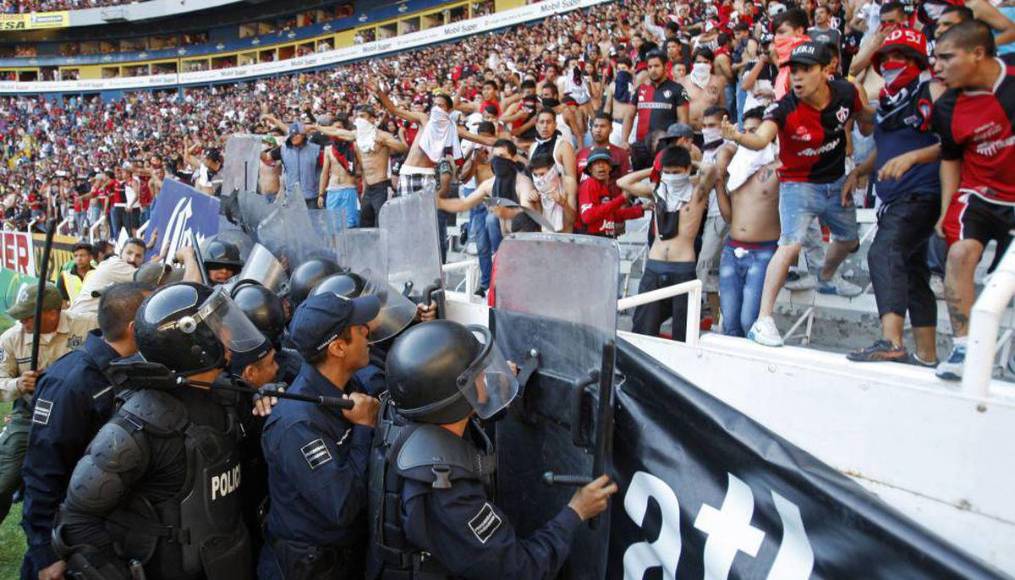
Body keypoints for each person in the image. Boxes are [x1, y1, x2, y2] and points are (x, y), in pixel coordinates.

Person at [368, 320, 618, 578]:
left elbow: (454, 414)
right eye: (480, 374)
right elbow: (520, 570)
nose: (487, 376)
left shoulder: (403, 416)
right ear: (456, 398)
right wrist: (575, 511)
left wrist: (485, 396)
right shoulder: (447, 494)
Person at [54, 282, 259, 579]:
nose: (228, 333)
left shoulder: (228, 396)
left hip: (229, 560)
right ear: (194, 344)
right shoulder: (139, 424)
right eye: (218, 326)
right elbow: (77, 519)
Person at [721, 41, 872, 347]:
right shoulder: (783, 107)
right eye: (794, 70)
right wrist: (738, 136)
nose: (798, 77)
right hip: (798, 185)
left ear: (826, 70)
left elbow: (866, 120)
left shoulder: (846, 92)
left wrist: (861, 159)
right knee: (790, 245)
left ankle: (827, 276)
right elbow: (762, 139)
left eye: (806, 70)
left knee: (849, 241)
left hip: (836, 180)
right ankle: (764, 320)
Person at [20, 283, 148, 580]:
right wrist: (45, 553)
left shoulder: (132, 368)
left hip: (104, 530)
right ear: (133, 327)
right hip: (64, 541)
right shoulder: (70, 383)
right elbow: (42, 470)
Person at [258, 292, 382, 579]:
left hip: (346, 556)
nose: (368, 330)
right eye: (359, 327)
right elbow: (343, 505)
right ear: (338, 347)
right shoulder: (297, 423)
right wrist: (364, 427)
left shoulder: (353, 384)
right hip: (311, 567)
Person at [846, 28, 944, 365]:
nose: (889, 63)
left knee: (883, 252)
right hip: (897, 197)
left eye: (898, 57)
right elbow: (887, 147)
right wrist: (861, 171)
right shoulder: (889, 100)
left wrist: (913, 158)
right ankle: (928, 356)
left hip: (921, 192)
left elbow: (955, 141)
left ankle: (891, 341)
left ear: (916, 60)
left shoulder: (930, 89)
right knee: (914, 273)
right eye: (884, 58)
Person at [932, 20, 1015, 380]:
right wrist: (946, 208)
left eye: (946, 58)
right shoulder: (948, 107)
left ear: (977, 53)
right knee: (959, 253)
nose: (938, 67)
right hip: (978, 194)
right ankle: (963, 346)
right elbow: (950, 159)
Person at [0, 284, 95, 523]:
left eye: (29, 316)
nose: (22, 322)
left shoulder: (87, 326)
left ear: (53, 312)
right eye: (20, 317)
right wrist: (18, 384)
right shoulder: (11, 339)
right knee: (5, 477)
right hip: (29, 412)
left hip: (77, 414)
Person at [617, 147, 717, 341]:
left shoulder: (697, 193)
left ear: (687, 169)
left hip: (683, 267)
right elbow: (624, 182)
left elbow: (711, 170)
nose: (671, 177)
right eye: (667, 172)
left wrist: (691, 164)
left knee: (683, 330)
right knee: (643, 325)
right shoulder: (657, 191)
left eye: (676, 172)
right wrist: (655, 168)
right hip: (655, 265)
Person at [714, 107, 782, 337]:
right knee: (730, 324)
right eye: (746, 131)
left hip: (763, 252)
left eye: (755, 132)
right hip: (732, 249)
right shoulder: (737, 167)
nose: (748, 137)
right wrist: (718, 182)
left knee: (748, 322)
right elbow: (729, 217)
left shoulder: (779, 167)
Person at [313, 107, 409, 227]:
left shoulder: (382, 135)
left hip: (381, 186)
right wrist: (318, 127)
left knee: (382, 223)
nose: (359, 119)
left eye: (363, 116)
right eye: (358, 116)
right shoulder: (357, 135)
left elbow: (403, 148)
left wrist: (385, 141)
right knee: (365, 224)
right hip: (368, 188)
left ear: (372, 119)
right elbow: (337, 132)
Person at [69, 237, 147, 317]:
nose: (132, 259)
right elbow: (151, 277)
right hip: (84, 319)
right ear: (120, 252)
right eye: (129, 253)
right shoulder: (117, 265)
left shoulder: (114, 264)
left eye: (138, 256)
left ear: (143, 259)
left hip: (87, 318)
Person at [578, 148, 645, 238]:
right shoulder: (589, 184)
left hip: (604, 241)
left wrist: (642, 208)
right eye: (597, 163)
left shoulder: (605, 187)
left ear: (610, 167)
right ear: (590, 169)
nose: (601, 166)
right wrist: (621, 199)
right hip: (591, 241)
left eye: (605, 162)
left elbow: (613, 215)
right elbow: (587, 216)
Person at [631, 51, 690, 144]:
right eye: (650, 67)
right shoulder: (640, 89)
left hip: (666, 145)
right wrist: (624, 140)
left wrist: (680, 143)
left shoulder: (679, 89)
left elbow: (683, 121)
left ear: (665, 66)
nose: (653, 70)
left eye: (656, 66)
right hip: (641, 144)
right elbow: (629, 116)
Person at [262, 117, 323, 207]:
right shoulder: (283, 149)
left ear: (303, 135)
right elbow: (267, 157)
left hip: (311, 197)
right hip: (291, 197)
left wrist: (321, 194)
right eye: (291, 135)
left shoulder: (315, 149)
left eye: (296, 134)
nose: (293, 137)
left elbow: (325, 170)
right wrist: (255, 149)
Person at [577, 113, 632, 183]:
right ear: (591, 129)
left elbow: (627, 182)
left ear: (611, 129)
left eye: (602, 126)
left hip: (612, 193)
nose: (598, 130)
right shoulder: (581, 153)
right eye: (595, 126)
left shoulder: (621, 154)